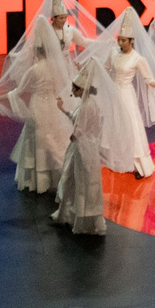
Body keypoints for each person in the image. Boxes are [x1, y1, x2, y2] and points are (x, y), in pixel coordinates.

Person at [0, 0, 87, 192]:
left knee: (46, 131)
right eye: (59, 17)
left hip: (59, 77)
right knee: (52, 130)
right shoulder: (47, 38)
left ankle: (40, 177)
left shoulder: (67, 34)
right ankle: (59, 170)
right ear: (53, 18)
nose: (63, 19)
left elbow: (20, 87)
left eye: (64, 16)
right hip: (54, 84)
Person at [83, 6, 155, 178]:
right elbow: (104, 69)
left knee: (131, 126)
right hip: (114, 95)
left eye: (124, 40)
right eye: (119, 40)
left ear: (131, 41)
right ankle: (119, 159)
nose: (120, 43)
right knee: (115, 126)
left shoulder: (137, 59)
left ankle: (138, 165)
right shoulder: (113, 53)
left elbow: (148, 80)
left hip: (126, 95)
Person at [51, 65, 107, 235]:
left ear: (81, 89)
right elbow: (78, 121)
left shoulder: (87, 106)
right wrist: (63, 110)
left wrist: (74, 136)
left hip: (83, 150)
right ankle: (72, 216)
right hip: (82, 148)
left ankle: (81, 221)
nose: (72, 91)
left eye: (74, 89)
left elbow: (80, 128)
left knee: (82, 182)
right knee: (73, 180)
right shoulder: (87, 103)